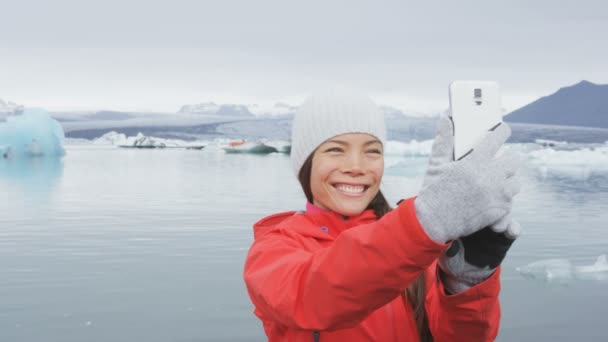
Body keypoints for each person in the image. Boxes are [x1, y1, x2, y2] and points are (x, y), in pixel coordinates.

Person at [243, 92, 522, 341]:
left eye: (372, 151)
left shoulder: (413, 249)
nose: (356, 166)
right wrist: (427, 222)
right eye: (335, 150)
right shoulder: (273, 251)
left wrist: (465, 284)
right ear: (305, 163)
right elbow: (317, 295)